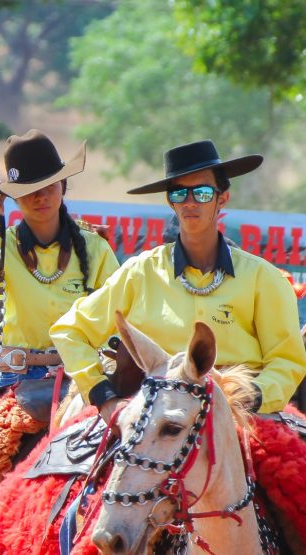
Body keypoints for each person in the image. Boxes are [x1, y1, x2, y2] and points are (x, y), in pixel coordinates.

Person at [49, 139, 306, 545]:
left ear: (223, 196)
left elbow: (288, 361)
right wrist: (105, 399)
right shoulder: (140, 272)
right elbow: (69, 330)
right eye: (179, 192)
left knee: (298, 490)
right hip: (153, 421)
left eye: (202, 191)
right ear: (170, 201)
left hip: (243, 420)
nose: (191, 202)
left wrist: (248, 399)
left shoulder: (264, 278)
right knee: (71, 507)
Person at [0, 130, 119, 517]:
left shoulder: (95, 248)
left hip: (83, 380)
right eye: (28, 190)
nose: (40, 198)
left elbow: (118, 319)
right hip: (12, 379)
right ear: (13, 198)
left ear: (63, 186)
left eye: (48, 187)